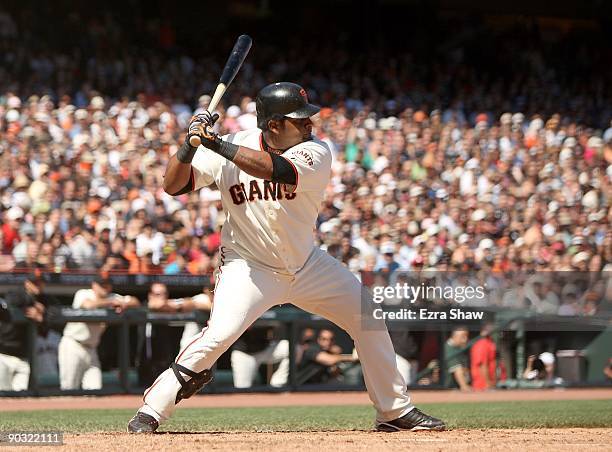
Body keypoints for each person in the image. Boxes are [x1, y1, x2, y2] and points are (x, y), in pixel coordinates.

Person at [128, 82, 445, 433]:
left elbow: (276, 170)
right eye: (301, 120)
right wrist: (189, 146)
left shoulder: (316, 151)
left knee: (366, 315)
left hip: (306, 263)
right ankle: (151, 411)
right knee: (218, 336)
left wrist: (214, 142)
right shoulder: (237, 144)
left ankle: (393, 411)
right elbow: (173, 185)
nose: (310, 126)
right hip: (248, 266)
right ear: (274, 124)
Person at [59, 275, 140, 390]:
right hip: (73, 345)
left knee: (95, 388)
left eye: (107, 285)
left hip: (92, 349)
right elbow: (88, 305)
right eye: (101, 285)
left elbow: (135, 302)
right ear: (94, 285)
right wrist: (111, 302)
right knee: (69, 388)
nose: (105, 288)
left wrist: (124, 304)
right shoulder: (84, 293)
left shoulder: (113, 297)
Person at [139, 282, 211, 386]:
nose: (162, 297)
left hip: (166, 364)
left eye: (164, 294)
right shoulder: (147, 304)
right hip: (147, 364)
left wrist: (177, 305)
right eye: (158, 294)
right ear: (150, 295)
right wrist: (176, 306)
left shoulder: (170, 304)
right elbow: (156, 305)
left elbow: (203, 305)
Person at [0, 274, 55, 391]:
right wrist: (33, 304)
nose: (38, 286)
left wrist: (41, 317)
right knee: (3, 395)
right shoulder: (16, 294)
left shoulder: (45, 299)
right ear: (26, 283)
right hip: (4, 354)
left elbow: (52, 318)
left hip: (24, 356)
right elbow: (11, 301)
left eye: (40, 283)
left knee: (21, 396)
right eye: (34, 283)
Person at [469, 323, 497, 391]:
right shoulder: (481, 344)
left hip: (490, 381)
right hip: (482, 385)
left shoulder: (490, 342)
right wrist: (487, 383)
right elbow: (482, 365)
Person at [444, 327, 471, 391]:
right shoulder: (448, 348)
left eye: (466, 336)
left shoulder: (459, 347)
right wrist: (464, 386)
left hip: (455, 388)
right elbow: (457, 369)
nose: (465, 339)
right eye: (462, 336)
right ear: (454, 336)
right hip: (447, 389)